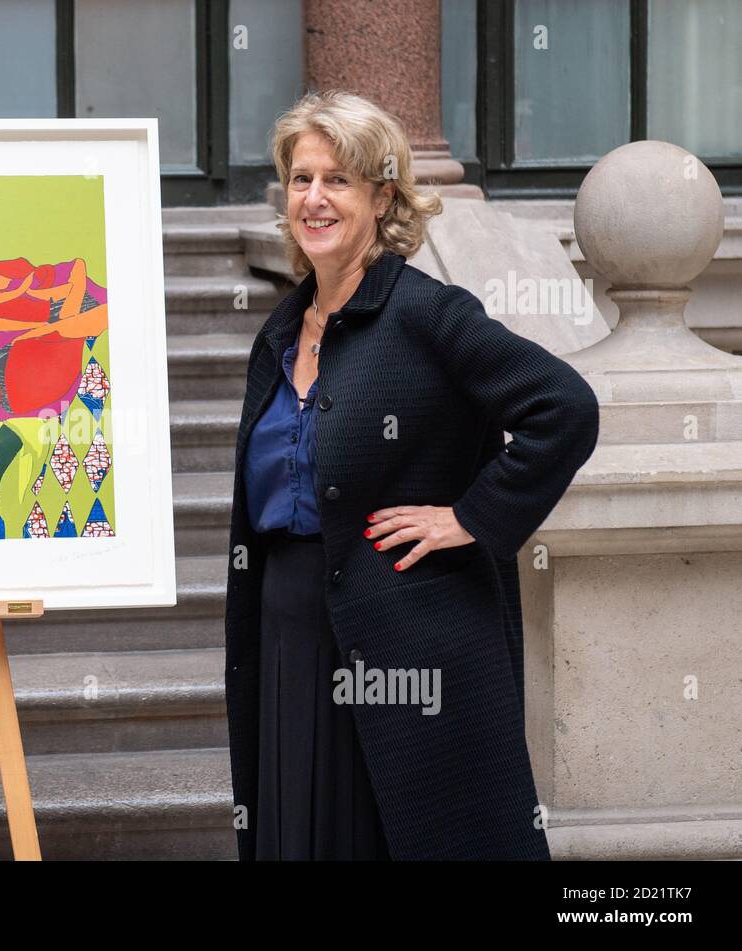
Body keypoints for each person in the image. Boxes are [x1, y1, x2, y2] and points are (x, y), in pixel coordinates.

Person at [224, 89, 600, 860]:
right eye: (301, 179)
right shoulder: (280, 331)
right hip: (289, 633)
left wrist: (471, 516)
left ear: (381, 196)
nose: (314, 198)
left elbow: (563, 406)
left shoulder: (427, 313)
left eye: (338, 180)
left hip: (404, 643)